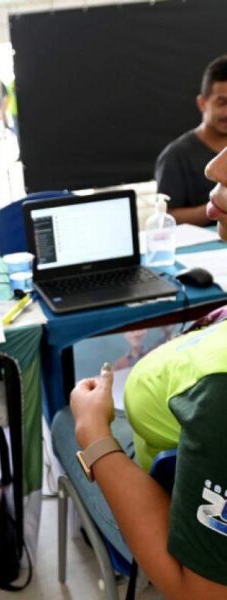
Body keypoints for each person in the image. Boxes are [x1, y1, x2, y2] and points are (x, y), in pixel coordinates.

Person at [70, 148, 227, 599]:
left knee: (63, 420)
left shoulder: (222, 397)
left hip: (164, 496)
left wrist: (92, 433)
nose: (213, 166)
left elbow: (198, 590)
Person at [155, 55, 227, 226]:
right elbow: (166, 216)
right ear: (202, 103)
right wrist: (218, 205)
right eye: (222, 103)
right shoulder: (176, 155)